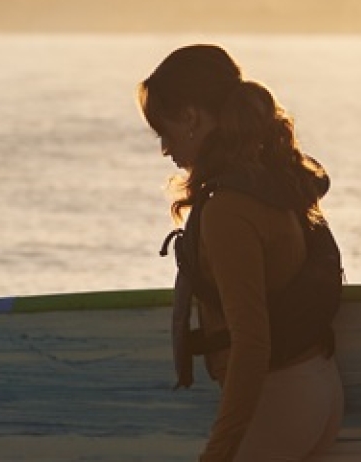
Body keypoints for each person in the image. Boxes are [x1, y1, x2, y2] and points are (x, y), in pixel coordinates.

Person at [139, 44, 346, 462]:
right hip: (320, 388)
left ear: (192, 118)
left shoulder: (226, 212)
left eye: (165, 131)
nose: (165, 148)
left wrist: (219, 451)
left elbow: (251, 343)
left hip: (279, 403)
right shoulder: (273, 179)